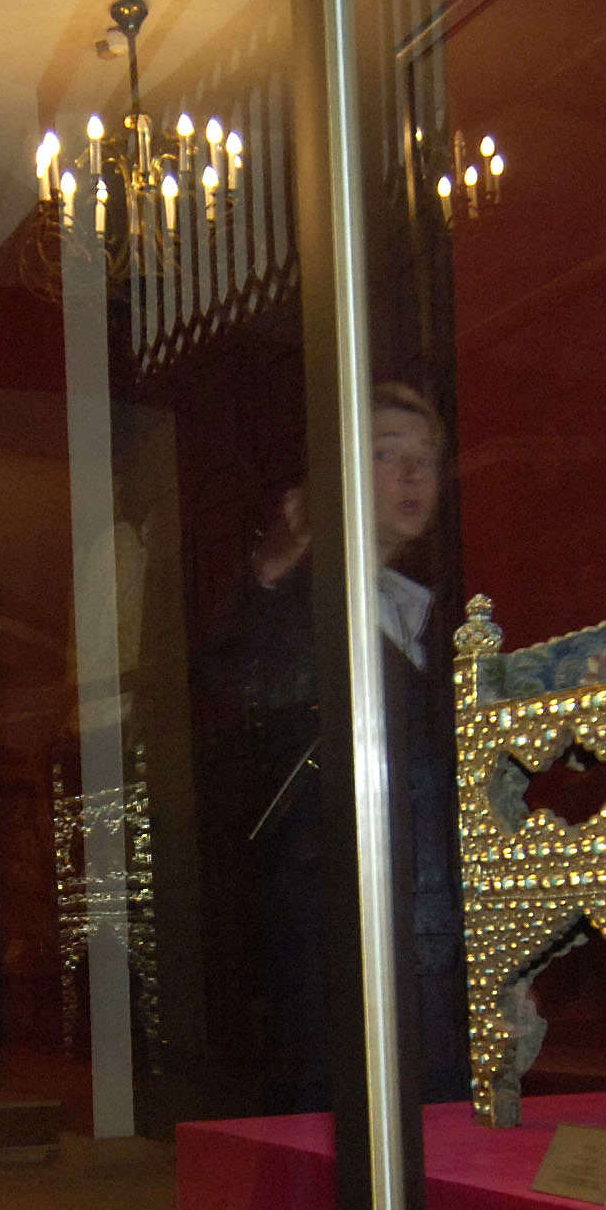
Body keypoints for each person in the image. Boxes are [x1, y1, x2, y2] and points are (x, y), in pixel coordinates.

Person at [211, 383, 468, 1112]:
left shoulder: (432, 610)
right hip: (339, 932)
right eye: (387, 456)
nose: (412, 476)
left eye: (425, 460)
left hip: (429, 916)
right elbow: (237, 676)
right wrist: (278, 564)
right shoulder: (297, 599)